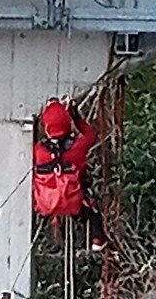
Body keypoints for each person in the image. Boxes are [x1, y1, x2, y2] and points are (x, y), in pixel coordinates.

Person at [33, 97, 109, 252]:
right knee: (93, 213)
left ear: (47, 127)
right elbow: (90, 134)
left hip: (45, 203)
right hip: (73, 201)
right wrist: (75, 115)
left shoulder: (39, 150)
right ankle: (97, 239)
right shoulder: (78, 146)